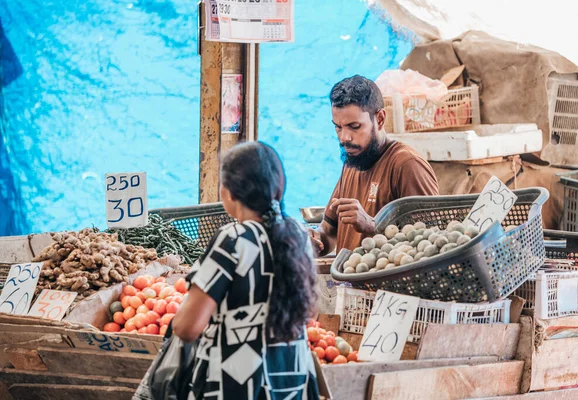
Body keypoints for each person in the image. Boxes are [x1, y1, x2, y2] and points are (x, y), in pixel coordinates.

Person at [139, 142, 320, 400]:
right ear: (279, 189)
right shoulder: (297, 236)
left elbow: (188, 327)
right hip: (291, 382)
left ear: (228, 192)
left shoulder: (234, 239)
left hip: (236, 384)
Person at [310, 75, 439, 255]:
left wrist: (372, 225)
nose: (344, 138)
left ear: (379, 119)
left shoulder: (407, 165)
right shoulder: (352, 160)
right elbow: (330, 232)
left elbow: (430, 246)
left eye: (354, 126)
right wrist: (314, 241)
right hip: (348, 282)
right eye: (338, 127)